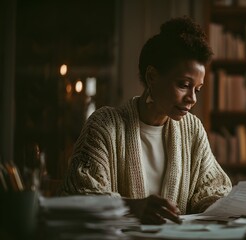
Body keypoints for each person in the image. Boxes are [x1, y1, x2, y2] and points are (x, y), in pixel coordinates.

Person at [60, 16, 232, 224]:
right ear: (152, 77)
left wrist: (224, 204)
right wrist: (132, 207)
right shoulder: (105, 125)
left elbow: (212, 190)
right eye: (183, 85)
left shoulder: (192, 129)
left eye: (197, 89)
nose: (192, 99)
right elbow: (80, 195)